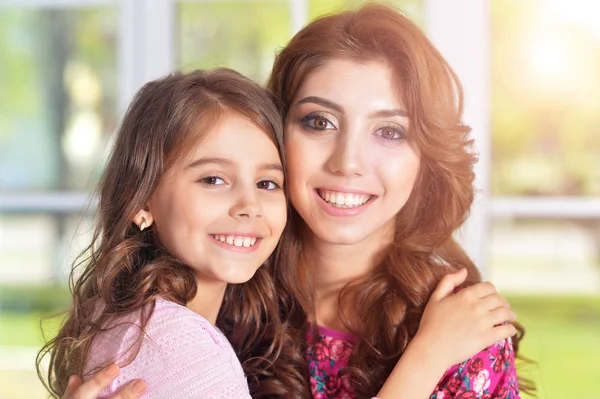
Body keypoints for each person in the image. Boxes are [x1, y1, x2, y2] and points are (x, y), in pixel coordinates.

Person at [55, 3, 527, 399]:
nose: (348, 162)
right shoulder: (225, 285)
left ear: (425, 156)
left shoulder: (459, 336)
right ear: (272, 133)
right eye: (319, 122)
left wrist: (427, 355)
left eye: (389, 131)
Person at [36, 68, 289, 398]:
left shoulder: (117, 315)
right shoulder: (187, 351)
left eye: (266, 183)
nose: (249, 205)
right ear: (142, 200)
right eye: (213, 179)